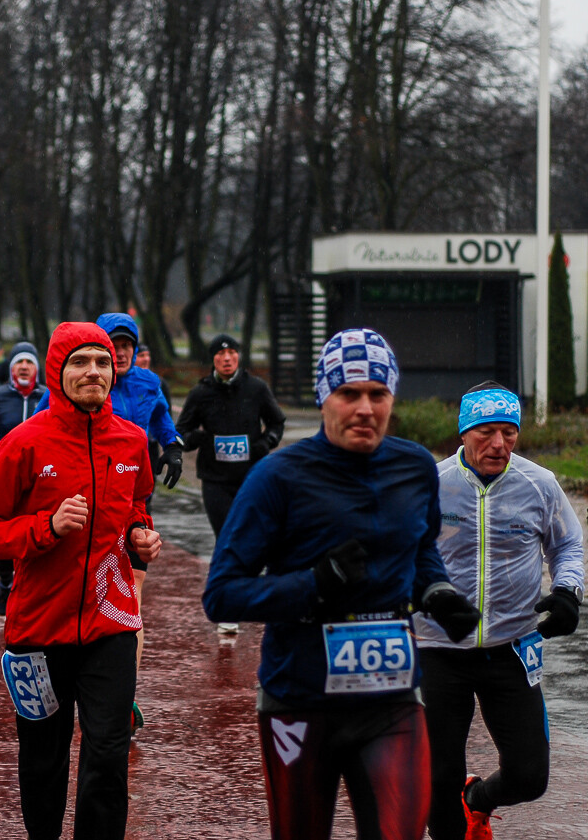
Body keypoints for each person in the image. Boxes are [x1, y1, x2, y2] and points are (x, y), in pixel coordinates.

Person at [202, 327, 480, 840]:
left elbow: (420, 551)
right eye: (348, 393)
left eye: (378, 395)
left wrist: (437, 594)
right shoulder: (278, 477)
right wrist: (313, 584)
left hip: (390, 697)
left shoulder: (415, 467)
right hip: (300, 699)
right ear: (323, 397)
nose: (365, 409)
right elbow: (221, 593)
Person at [0, 322, 162, 840]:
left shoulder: (133, 440)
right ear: (58, 372)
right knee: (44, 761)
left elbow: (137, 505)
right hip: (37, 629)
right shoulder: (22, 443)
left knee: (108, 759)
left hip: (111, 623)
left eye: (101, 361)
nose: (93, 371)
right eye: (79, 363)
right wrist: (45, 528)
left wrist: (142, 535)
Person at [415, 382, 584, 840]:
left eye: (509, 433)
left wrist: (568, 591)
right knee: (438, 776)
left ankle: (479, 800)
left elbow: (567, 543)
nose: (499, 445)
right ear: (464, 432)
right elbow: (403, 551)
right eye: (487, 432)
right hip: (438, 647)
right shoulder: (433, 483)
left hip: (511, 646)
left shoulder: (539, 484)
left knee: (530, 776)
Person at [33, 312, 183, 729]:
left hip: (131, 502)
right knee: (82, 597)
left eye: (126, 345)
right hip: (80, 505)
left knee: (130, 602)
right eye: (111, 344)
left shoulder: (150, 384)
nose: (119, 352)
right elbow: (44, 424)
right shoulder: (81, 381)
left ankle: (122, 697)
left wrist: (172, 447)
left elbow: (162, 420)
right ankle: (77, 681)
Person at [176, 333, 287, 635]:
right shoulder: (201, 393)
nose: (227, 359)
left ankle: (262, 596)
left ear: (239, 356)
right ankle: (228, 608)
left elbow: (277, 422)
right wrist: (194, 439)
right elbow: (181, 432)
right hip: (215, 480)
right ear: (212, 359)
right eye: (221, 354)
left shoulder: (256, 388)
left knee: (258, 537)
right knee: (226, 538)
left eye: (232, 353)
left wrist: (266, 443)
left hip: (252, 478)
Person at [0, 341, 47, 612]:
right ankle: (6, 582)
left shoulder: (48, 396)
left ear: (36, 369)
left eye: (29, 362)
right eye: (19, 363)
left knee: (34, 530)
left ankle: (29, 588)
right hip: (4, 475)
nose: (24, 367)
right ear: (12, 368)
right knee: (2, 532)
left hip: (40, 476)